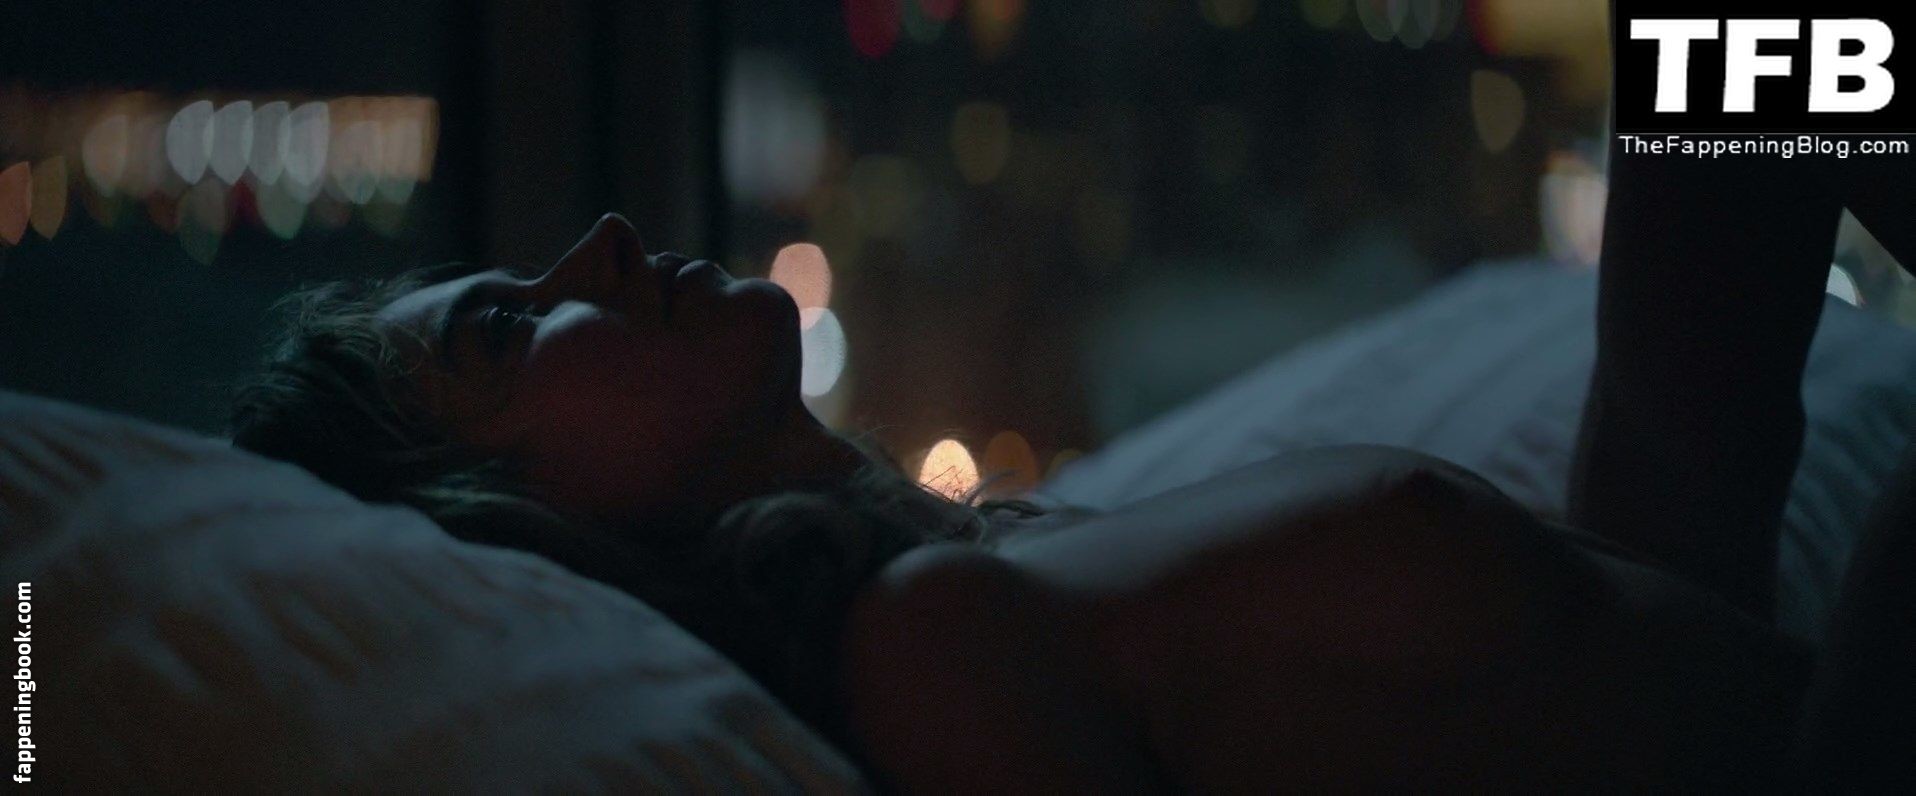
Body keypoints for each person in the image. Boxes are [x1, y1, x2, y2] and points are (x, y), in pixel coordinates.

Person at [233, 213, 1806, 790]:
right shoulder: (930, 648)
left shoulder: (990, 562)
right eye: (505, 328)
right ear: (504, 516)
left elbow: (1611, 641)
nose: (603, 244)